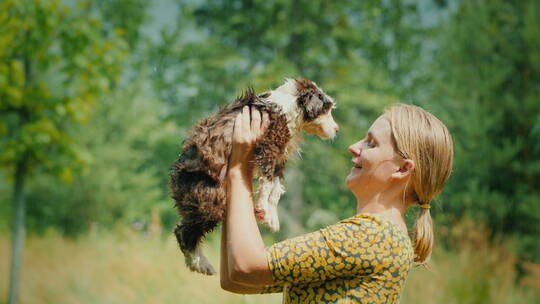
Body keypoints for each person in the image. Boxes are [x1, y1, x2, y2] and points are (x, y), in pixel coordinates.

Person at [220, 103, 453, 303]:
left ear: (402, 169)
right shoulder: (381, 236)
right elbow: (235, 279)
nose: (353, 146)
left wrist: (240, 168)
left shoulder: (373, 236)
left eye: (371, 144)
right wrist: (231, 182)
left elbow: (247, 266)